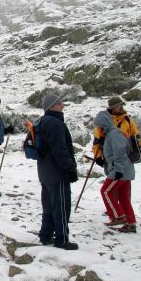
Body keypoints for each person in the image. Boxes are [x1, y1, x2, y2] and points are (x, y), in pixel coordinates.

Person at [37, 94, 79, 250]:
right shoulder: (55, 123)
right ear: (52, 106)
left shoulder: (41, 121)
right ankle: (62, 240)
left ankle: (46, 235)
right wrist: (70, 167)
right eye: (60, 104)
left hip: (44, 171)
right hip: (57, 173)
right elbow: (60, 150)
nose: (62, 106)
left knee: (48, 206)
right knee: (61, 207)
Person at [93, 111, 137, 233]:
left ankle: (118, 216)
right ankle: (130, 223)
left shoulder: (113, 135)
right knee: (123, 197)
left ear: (105, 125)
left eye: (99, 126)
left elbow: (120, 153)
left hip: (120, 170)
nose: (98, 129)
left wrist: (118, 169)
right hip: (125, 170)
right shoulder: (111, 134)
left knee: (106, 191)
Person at [92, 96, 141, 167]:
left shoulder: (127, 120)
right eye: (118, 106)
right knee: (112, 177)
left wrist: (140, 148)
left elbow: (136, 136)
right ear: (112, 108)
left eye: (121, 105)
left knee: (126, 177)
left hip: (126, 157)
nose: (121, 107)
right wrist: (97, 157)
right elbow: (97, 141)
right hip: (109, 157)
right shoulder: (104, 121)